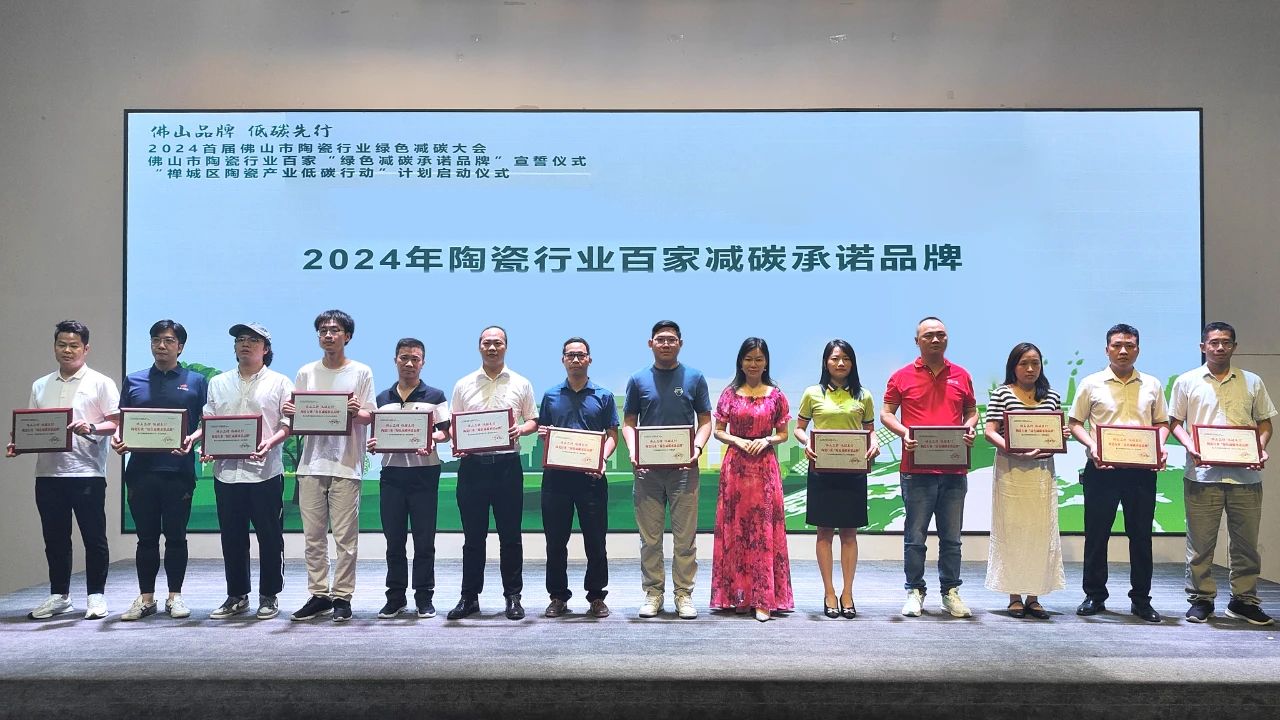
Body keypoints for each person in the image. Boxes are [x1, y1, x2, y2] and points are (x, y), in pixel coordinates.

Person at [7, 320, 119, 621]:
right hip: (48, 474)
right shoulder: (40, 385)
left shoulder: (101, 382)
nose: (67, 350)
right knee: (55, 539)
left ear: (86, 348)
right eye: (62, 344)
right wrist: (19, 444)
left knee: (94, 537)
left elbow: (115, 423)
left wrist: (91, 427)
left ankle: (96, 596)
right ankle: (59, 596)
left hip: (87, 473)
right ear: (55, 346)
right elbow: (33, 427)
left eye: (73, 345)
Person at [1169, 322, 1275, 625]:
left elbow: (1265, 423)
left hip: (1246, 478)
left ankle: (1243, 601)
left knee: (1246, 544)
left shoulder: (1252, 381)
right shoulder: (1187, 381)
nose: (1220, 347)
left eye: (1226, 342)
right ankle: (1201, 599)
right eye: (1214, 342)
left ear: (1234, 347)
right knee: (1200, 544)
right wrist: (1191, 446)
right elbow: (1174, 422)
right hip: (1202, 475)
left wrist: (1259, 448)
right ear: (1203, 347)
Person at [1068, 323, 1169, 623]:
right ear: (1107, 349)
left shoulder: (1152, 384)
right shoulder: (1091, 383)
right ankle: (1094, 596)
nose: (1123, 351)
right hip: (1101, 469)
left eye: (1129, 345)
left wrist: (1159, 446)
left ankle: (1141, 600)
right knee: (1096, 535)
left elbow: (1161, 423)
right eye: (1117, 345)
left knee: (1141, 537)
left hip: (1141, 471)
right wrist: (1093, 446)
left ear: (1138, 349)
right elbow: (1075, 422)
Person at [881, 316, 978, 618]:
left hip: (954, 470)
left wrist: (970, 427)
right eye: (929, 336)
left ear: (947, 338)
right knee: (915, 537)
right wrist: (903, 432)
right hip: (916, 470)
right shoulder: (901, 376)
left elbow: (971, 411)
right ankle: (914, 590)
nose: (935, 340)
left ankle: (950, 591)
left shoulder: (961, 375)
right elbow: (886, 413)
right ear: (917, 341)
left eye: (941, 335)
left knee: (952, 538)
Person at [113, 319, 208, 622]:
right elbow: (122, 422)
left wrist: (194, 438)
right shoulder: (134, 380)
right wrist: (117, 438)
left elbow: (207, 422)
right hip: (141, 472)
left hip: (179, 472)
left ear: (180, 347)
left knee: (176, 537)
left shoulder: (196, 381)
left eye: (168, 340)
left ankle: (175, 597)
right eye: (156, 340)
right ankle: (146, 598)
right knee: (146, 538)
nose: (162, 345)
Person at [284, 309, 375, 623]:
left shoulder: (361, 372)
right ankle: (319, 594)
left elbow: (369, 416)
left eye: (335, 330)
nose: (328, 335)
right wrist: (291, 412)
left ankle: (342, 596)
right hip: (311, 464)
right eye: (323, 330)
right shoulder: (306, 372)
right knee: (313, 537)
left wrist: (355, 410)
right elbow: (296, 417)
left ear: (347, 336)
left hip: (346, 465)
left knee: (346, 539)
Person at [445, 326, 538, 621]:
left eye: (498, 343)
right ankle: (469, 597)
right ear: (479, 347)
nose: (492, 347)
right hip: (472, 468)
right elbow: (453, 425)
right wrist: (458, 442)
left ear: (506, 346)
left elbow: (532, 420)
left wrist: (520, 429)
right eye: (487, 343)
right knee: (473, 537)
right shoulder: (463, 384)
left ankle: (513, 596)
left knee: (510, 536)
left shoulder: (521, 383)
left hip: (507, 467)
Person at [201, 323, 292, 620]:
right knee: (232, 537)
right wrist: (206, 445)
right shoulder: (218, 382)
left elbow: (287, 425)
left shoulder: (280, 382)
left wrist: (270, 443)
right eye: (240, 339)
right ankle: (237, 595)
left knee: (270, 536)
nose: (245, 344)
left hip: (265, 472)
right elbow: (210, 420)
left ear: (266, 349)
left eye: (253, 340)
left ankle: (269, 595)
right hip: (226, 473)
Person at [623, 320, 713, 620]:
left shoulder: (694, 377)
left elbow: (705, 421)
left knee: (685, 538)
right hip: (647, 471)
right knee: (650, 539)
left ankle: (684, 594)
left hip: (684, 469)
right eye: (660, 339)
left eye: (671, 339)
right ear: (650, 343)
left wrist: (697, 447)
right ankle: (653, 593)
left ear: (680, 344)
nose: (665, 344)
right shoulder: (637, 379)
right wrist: (634, 451)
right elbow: (629, 422)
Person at [792, 339, 879, 619]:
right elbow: (799, 428)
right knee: (824, 533)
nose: (840, 363)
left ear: (853, 363)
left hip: (853, 471)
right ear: (825, 362)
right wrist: (807, 442)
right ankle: (829, 592)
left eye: (846, 359)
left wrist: (875, 443)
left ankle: (848, 592)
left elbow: (870, 430)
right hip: (822, 471)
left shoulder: (864, 395)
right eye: (834, 358)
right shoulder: (812, 393)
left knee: (850, 534)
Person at [709, 337, 793, 622]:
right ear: (740, 362)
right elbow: (718, 430)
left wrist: (766, 440)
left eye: (758, 359)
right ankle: (739, 596)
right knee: (736, 530)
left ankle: (764, 599)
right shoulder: (729, 393)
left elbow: (783, 434)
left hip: (765, 467)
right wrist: (737, 440)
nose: (753, 364)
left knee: (764, 531)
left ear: (766, 362)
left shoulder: (776, 395)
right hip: (736, 467)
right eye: (748, 359)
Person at [982, 342, 1067, 620]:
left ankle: (1034, 596)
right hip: (1011, 470)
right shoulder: (1002, 394)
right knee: (1012, 531)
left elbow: (1055, 432)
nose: (1030, 369)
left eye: (1035, 363)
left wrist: (1061, 435)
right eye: (1024, 363)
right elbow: (990, 431)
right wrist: (1012, 448)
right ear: (1013, 366)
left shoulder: (1051, 396)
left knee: (1040, 532)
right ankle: (1014, 596)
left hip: (1042, 471)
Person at [537, 337, 619, 619]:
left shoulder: (604, 396)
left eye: (580, 355)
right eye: (570, 355)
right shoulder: (550, 396)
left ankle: (596, 596)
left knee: (595, 541)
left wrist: (602, 459)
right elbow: (545, 431)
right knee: (555, 542)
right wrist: (545, 435)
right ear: (563, 359)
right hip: (556, 479)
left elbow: (612, 436)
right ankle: (558, 596)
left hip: (591, 479)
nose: (575, 359)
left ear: (589, 360)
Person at [369, 338, 451, 620]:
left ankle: (424, 597)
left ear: (423, 362)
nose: (409, 363)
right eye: (404, 357)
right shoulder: (382, 398)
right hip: (392, 474)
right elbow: (378, 434)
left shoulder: (435, 395)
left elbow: (446, 432)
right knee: (394, 541)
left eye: (415, 358)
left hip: (424, 473)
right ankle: (395, 598)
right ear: (395, 360)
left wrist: (431, 438)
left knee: (424, 540)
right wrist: (374, 444)